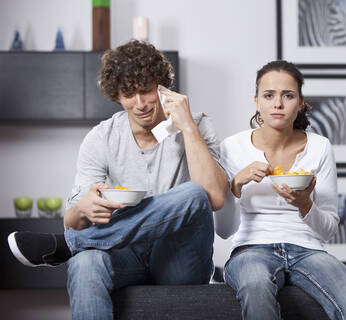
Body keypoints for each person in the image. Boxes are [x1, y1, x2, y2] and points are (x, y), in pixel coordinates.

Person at [7, 40, 229, 319]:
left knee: (195, 195)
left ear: (163, 86)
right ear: (117, 95)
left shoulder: (196, 125)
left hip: (179, 257)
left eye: (147, 91)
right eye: (129, 94)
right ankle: (79, 245)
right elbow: (72, 219)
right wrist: (84, 208)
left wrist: (187, 127)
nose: (140, 104)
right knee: (85, 262)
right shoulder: (102, 137)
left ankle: (68, 245)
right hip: (125, 253)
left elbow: (215, 197)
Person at [214, 60, 346, 320]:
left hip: (308, 249)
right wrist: (235, 185)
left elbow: (328, 229)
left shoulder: (320, 147)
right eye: (269, 96)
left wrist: (305, 205)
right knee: (255, 287)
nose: (278, 104)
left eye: (288, 96)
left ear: (300, 102)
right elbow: (224, 231)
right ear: (257, 101)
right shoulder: (231, 148)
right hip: (250, 248)